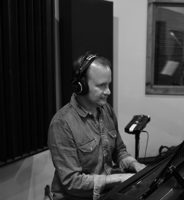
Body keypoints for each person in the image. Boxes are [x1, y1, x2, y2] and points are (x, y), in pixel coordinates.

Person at [48, 52, 146, 200]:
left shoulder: (106, 110)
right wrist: (119, 178)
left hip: (104, 193)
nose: (108, 91)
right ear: (81, 86)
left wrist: (134, 164)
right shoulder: (62, 124)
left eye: (109, 84)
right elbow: (73, 182)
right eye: (101, 86)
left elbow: (119, 150)